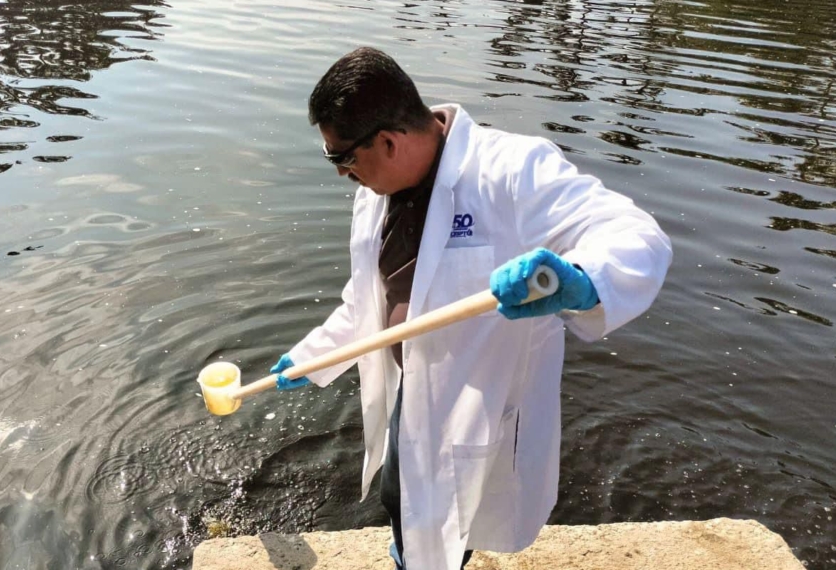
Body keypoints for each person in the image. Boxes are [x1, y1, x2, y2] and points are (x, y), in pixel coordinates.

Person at [268, 47, 673, 570]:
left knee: (452, 524)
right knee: (402, 498)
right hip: (412, 390)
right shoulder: (377, 189)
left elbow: (636, 236)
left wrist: (583, 281)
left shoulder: (510, 171)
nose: (343, 174)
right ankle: (407, 555)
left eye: (342, 158)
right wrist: (312, 357)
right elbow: (368, 297)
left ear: (387, 141)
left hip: (478, 406)